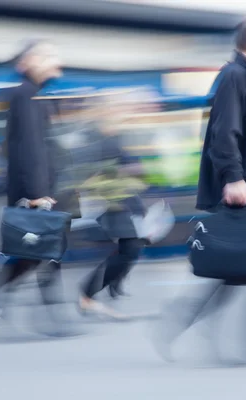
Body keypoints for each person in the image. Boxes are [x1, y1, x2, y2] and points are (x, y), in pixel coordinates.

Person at [153, 17, 246, 362]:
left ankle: (183, 323)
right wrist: (233, 178)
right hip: (245, 189)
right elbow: (222, 134)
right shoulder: (235, 77)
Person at [0, 40, 80, 336]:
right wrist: (36, 193)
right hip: (35, 191)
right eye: (47, 56)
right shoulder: (25, 96)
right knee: (39, 251)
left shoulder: (29, 95)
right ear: (28, 62)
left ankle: (1, 302)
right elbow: (28, 148)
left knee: (40, 252)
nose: (55, 61)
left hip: (38, 189)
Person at [77, 95, 148, 317]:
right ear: (103, 113)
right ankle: (87, 294)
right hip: (112, 203)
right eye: (115, 110)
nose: (121, 114)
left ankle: (99, 290)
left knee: (131, 248)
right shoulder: (97, 139)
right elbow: (94, 173)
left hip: (123, 201)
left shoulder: (115, 136)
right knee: (131, 248)